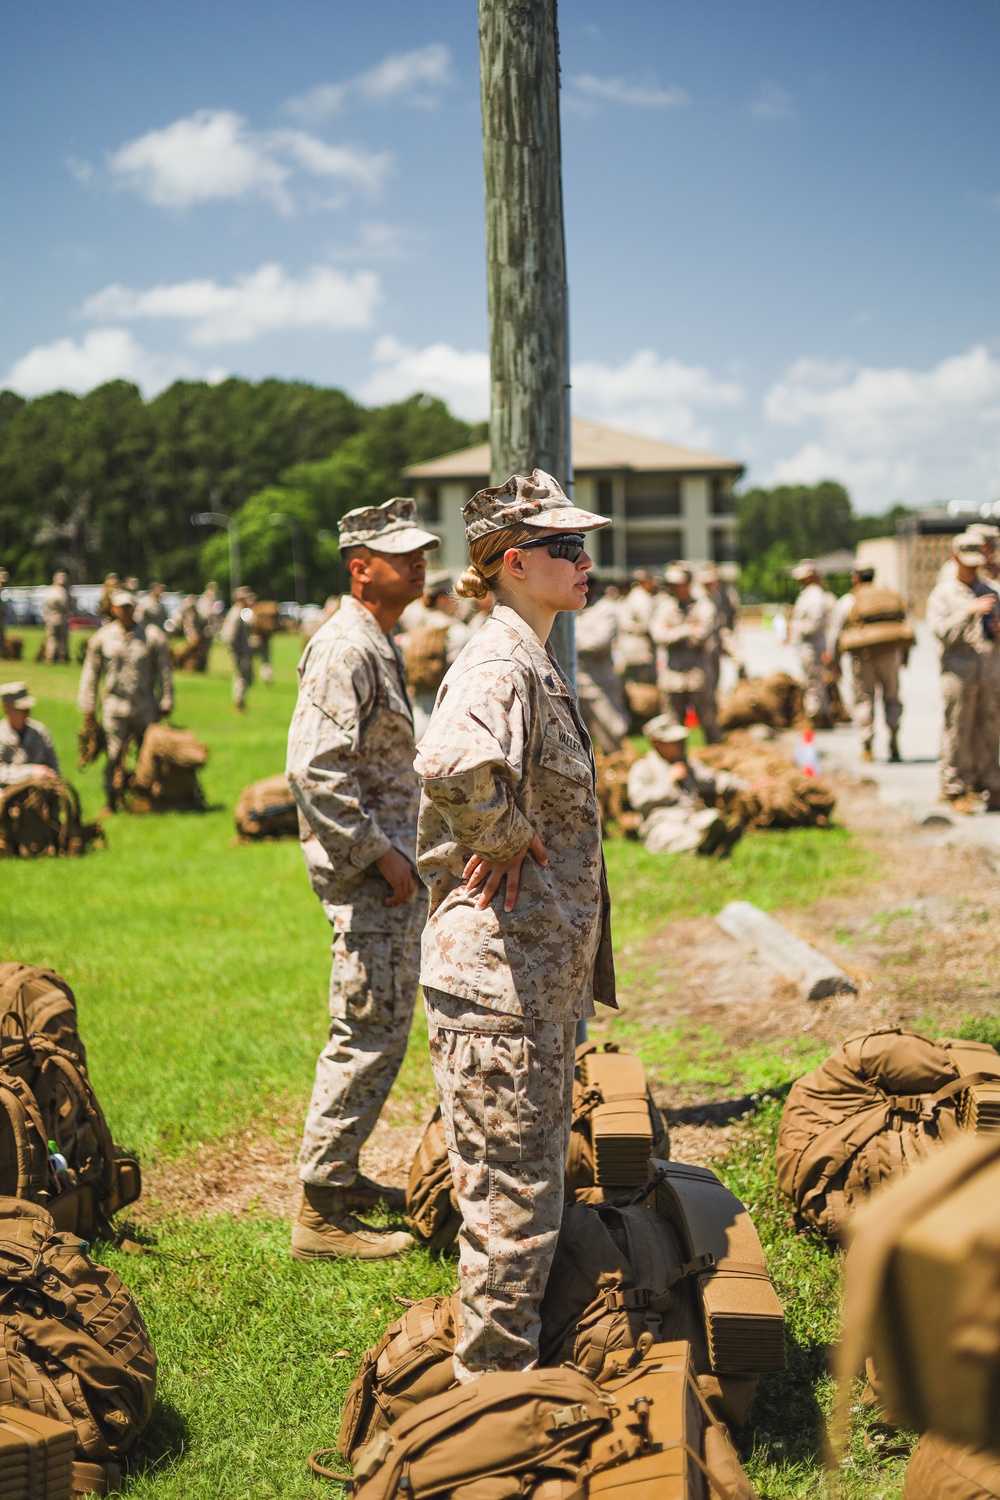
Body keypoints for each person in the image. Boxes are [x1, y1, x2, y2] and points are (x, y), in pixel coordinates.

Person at [415, 469, 616, 1383]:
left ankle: (495, 1404)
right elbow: (455, 763)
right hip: (499, 978)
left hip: (521, 976)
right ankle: (489, 1424)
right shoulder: (500, 659)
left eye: (585, 545)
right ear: (516, 560)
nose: (585, 561)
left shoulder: (527, 653)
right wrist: (502, 833)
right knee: (511, 1214)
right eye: (568, 548)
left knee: (518, 1200)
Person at [286, 497, 440, 1262]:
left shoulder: (377, 639)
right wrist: (378, 851)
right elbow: (314, 768)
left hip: (386, 873)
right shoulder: (345, 647)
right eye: (402, 554)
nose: (419, 563)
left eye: (421, 551)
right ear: (360, 568)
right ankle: (320, 1213)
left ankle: (340, 1178)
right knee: (368, 1030)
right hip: (369, 877)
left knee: (380, 1024)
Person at [77, 590, 173, 813]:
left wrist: (166, 701)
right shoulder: (102, 637)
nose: (126, 610)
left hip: (145, 706)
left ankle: (146, 798)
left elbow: (165, 672)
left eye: (130, 606)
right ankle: (111, 800)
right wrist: (88, 706)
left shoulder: (152, 635)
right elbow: (91, 673)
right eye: (122, 607)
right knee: (114, 753)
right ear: (113, 609)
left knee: (147, 755)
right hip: (114, 706)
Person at [926, 533, 1000, 812]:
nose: (973, 569)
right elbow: (941, 633)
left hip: (990, 671)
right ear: (956, 558)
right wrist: (967, 612)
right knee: (958, 728)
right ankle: (956, 787)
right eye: (968, 563)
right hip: (959, 673)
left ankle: (991, 785)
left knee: (991, 729)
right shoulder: (943, 594)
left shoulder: (992, 589)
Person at [627, 716, 744, 855]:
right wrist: (669, 780)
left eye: (681, 741)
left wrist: (748, 785)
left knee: (712, 818)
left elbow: (714, 779)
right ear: (657, 743)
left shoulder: (688, 764)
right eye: (674, 742)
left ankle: (715, 840)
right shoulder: (643, 767)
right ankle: (704, 845)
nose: (681, 744)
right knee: (672, 835)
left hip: (692, 815)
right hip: (663, 819)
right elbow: (638, 800)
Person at [835, 566, 908, 762]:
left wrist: (834, 661)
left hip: (863, 656)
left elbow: (836, 632)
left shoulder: (849, 600)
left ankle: (867, 746)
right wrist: (904, 656)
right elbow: (904, 625)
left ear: (855, 578)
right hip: (890, 654)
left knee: (864, 699)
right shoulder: (888, 597)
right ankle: (894, 739)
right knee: (891, 698)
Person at [397, 571, 472, 741]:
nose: (458, 602)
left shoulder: (413, 633)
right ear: (442, 600)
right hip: (447, 722)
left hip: (417, 721)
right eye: (454, 596)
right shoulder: (458, 633)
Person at [651, 564, 721, 742]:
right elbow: (659, 635)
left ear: (688, 583)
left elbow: (702, 635)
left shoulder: (704, 605)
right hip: (673, 675)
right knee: (673, 723)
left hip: (698, 673)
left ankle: (716, 753)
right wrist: (689, 628)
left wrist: (674, 630)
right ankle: (678, 759)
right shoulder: (665, 606)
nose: (674, 588)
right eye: (672, 584)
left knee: (708, 719)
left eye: (678, 583)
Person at [574, 573, 628, 753]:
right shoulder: (572, 608)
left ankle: (617, 765)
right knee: (578, 734)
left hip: (600, 681)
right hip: (577, 681)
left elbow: (599, 641)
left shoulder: (606, 608)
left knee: (611, 729)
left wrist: (569, 642)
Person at [789, 560, 832, 727]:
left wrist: (793, 626)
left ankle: (815, 717)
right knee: (813, 681)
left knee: (813, 683)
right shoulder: (808, 594)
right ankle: (820, 715)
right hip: (808, 645)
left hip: (812, 646)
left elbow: (814, 624)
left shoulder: (814, 596)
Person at [0, 682, 60, 786]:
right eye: (20, 709)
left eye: (27, 709)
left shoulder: (40, 732)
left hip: (39, 790)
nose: (26, 713)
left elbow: (53, 764)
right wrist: (30, 772)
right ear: (7, 707)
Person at [615, 569, 658, 692]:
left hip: (629, 645)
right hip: (638, 646)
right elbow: (650, 625)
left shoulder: (633, 596)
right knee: (643, 692)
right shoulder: (641, 597)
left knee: (633, 688)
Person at [220, 587, 255, 712]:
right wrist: (236, 651)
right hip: (239, 653)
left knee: (244, 677)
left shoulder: (239, 612)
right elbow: (229, 637)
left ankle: (241, 703)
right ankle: (239, 704)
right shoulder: (235, 614)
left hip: (242, 651)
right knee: (240, 677)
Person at [41, 572, 71, 663]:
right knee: (62, 639)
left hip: (50, 618)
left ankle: (49, 657)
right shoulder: (62, 591)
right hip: (60, 617)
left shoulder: (49, 591)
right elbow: (65, 605)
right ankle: (62, 658)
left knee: (51, 638)